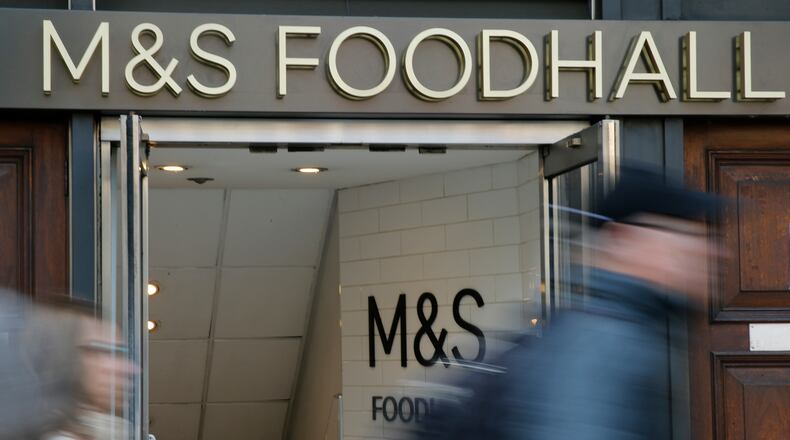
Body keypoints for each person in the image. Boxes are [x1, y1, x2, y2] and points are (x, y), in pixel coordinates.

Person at [411, 165, 723, 440]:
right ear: (624, 239)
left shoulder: (615, 329)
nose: (706, 249)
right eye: (683, 233)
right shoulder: (601, 343)